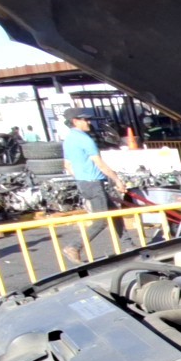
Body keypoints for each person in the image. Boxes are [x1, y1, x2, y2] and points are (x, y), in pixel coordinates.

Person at [62, 108, 127, 262]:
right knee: (101, 221)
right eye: (85, 120)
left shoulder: (68, 140)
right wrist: (117, 180)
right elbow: (99, 163)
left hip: (84, 183)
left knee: (115, 215)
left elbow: (67, 165)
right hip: (93, 183)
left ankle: (129, 245)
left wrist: (82, 177)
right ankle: (74, 246)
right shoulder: (85, 139)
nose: (89, 123)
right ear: (75, 121)